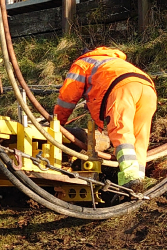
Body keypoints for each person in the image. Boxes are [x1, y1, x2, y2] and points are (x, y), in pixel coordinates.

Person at [53, 47, 157, 189]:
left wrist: (56, 124)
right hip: (148, 89)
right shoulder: (113, 62)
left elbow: (67, 98)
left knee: (122, 133)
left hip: (122, 89)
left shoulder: (82, 63)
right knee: (140, 138)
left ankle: (130, 179)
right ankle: (138, 181)